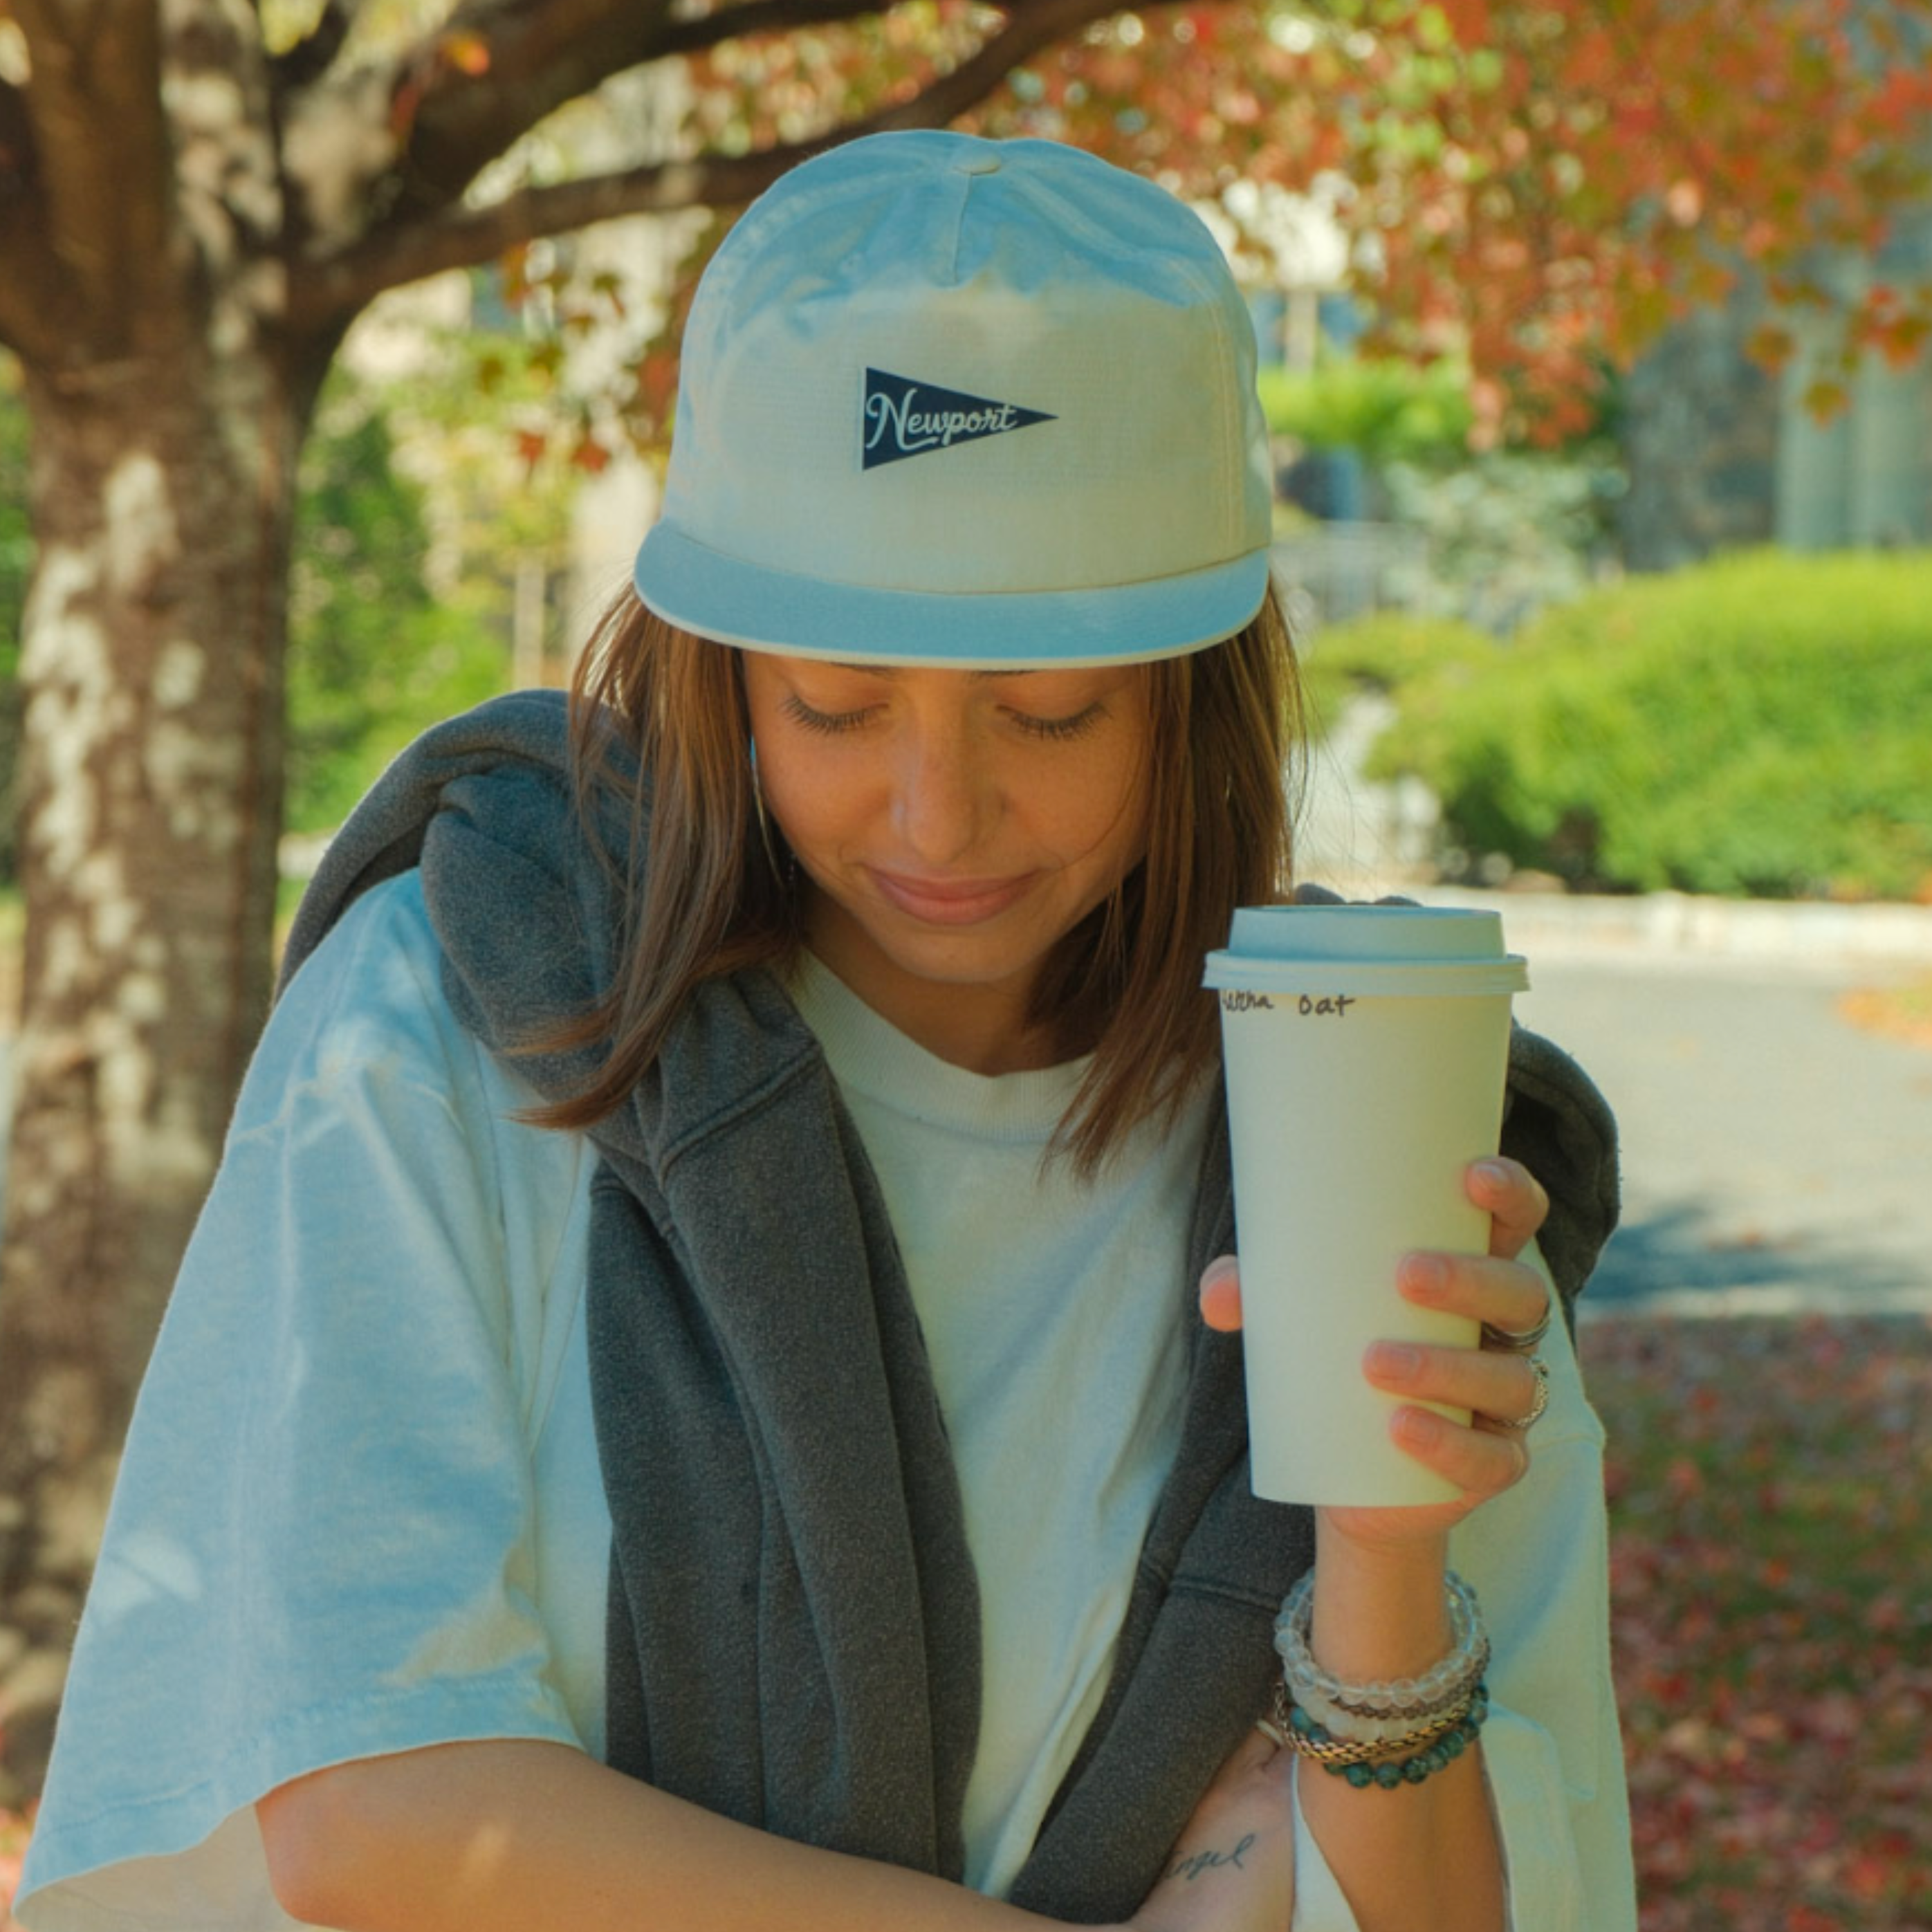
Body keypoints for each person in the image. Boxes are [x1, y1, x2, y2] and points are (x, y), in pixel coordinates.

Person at [17, 131, 1634, 1932]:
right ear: (719, 676)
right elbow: (373, 1806)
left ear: (1194, 702)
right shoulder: (456, 1008)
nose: (939, 819)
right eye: (839, 706)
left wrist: (1383, 1560)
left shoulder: (1356, 1121)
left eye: (1050, 714)